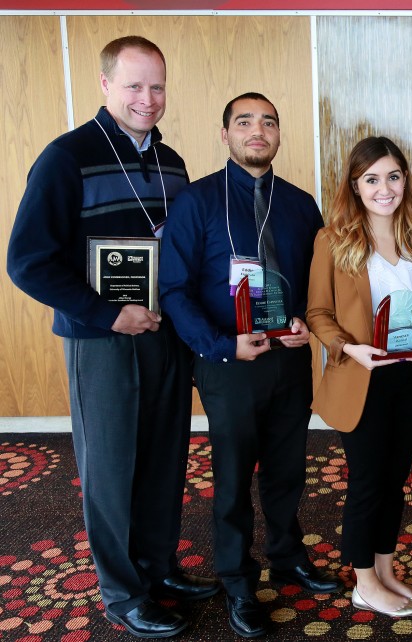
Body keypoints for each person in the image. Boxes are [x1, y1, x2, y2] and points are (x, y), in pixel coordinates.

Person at [6, 36, 218, 639]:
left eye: (156, 86)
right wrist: (105, 313)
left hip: (166, 336)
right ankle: (122, 592)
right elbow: (27, 261)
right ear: (104, 85)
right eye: (133, 85)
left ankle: (156, 567)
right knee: (111, 465)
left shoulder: (172, 163)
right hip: (101, 342)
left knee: (162, 457)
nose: (146, 99)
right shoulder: (65, 157)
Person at [159, 92, 339, 638]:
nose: (257, 131)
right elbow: (173, 290)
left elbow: (318, 280)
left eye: (268, 122)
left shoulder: (301, 204)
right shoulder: (196, 202)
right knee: (234, 477)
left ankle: (287, 555)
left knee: (287, 471)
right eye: (244, 122)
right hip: (229, 362)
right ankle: (237, 579)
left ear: (279, 135)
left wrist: (313, 319)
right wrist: (220, 345)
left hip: (289, 358)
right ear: (226, 135)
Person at [306, 136, 412, 618]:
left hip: (407, 379)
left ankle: (386, 572)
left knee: (396, 481)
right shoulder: (333, 239)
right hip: (361, 379)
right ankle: (363, 582)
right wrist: (348, 347)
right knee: (367, 482)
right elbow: (318, 312)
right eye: (372, 179)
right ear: (355, 186)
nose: (385, 188)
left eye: (393, 176)